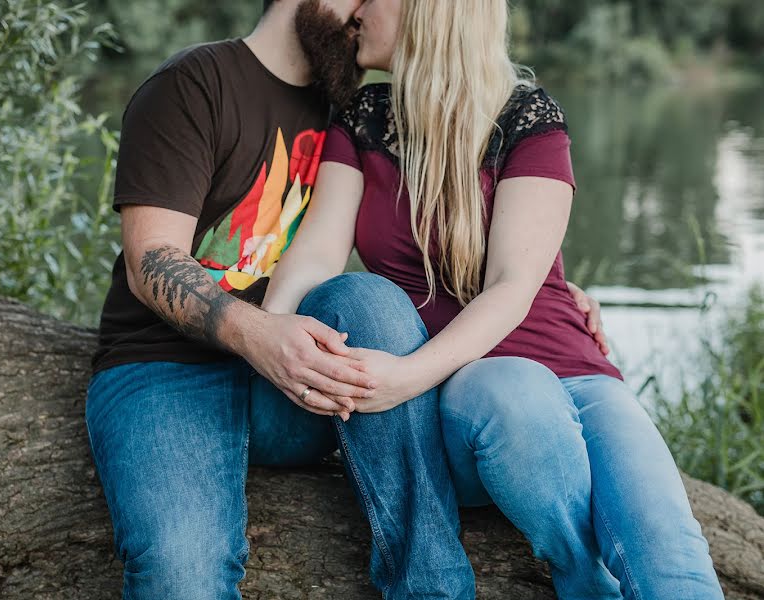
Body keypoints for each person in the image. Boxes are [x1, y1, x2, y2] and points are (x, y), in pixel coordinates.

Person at [85, 0, 609, 597]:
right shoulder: (195, 83)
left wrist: (548, 286)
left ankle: (430, 586)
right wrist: (259, 334)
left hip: (290, 384)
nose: (369, 7)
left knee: (370, 300)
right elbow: (149, 259)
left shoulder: (353, 113)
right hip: (166, 371)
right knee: (183, 573)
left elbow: (399, 249)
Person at [262, 1, 725, 599]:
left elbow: (513, 283)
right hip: (468, 398)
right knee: (510, 390)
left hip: (579, 377)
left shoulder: (529, 117)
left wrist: (403, 375)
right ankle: (584, 575)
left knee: (671, 552)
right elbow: (319, 253)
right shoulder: (362, 119)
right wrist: (268, 336)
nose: (356, 9)